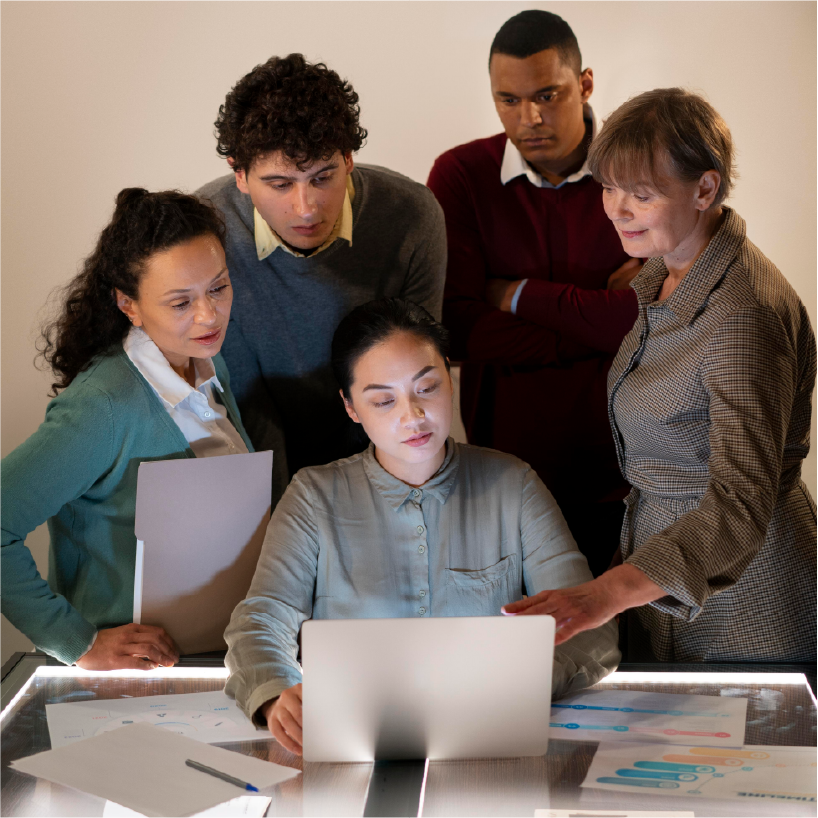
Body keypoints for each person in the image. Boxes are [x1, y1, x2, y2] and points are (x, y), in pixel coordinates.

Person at [224, 298, 620, 755]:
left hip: (492, 742)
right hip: (354, 746)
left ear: (449, 377)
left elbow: (591, 627)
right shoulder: (314, 495)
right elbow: (261, 619)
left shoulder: (513, 484)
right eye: (383, 400)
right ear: (351, 407)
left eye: (426, 388)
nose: (412, 416)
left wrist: (515, 684)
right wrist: (276, 694)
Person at [504, 89, 818, 663]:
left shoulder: (742, 314)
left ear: (705, 188)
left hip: (750, 596)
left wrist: (604, 594)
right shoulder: (664, 273)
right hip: (661, 575)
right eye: (609, 187)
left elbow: (740, 502)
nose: (616, 209)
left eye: (641, 195)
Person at [0, 189, 253, 670]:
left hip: (211, 661)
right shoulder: (104, 406)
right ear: (129, 305)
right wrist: (77, 643)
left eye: (218, 288)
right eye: (180, 302)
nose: (209, 315)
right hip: (136, 682)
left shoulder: (206, 359)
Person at [427, 10, 639, 578]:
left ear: (585, 84)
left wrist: (513, 294)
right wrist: (594, 323)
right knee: (517, 657)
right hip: (502, 477)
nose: (532, 117)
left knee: (621, 655)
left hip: (629, 476)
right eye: (510, 100)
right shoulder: (460, 177)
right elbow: (455, 327)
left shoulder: (638, 168)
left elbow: (649, 318)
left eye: (549, 94)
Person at [198, 54, 447, 508]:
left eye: (322, 177)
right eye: (279, 184)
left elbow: (417, 375)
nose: (306, 207)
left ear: (349, 158)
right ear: (240, 175)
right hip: (253, 465)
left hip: (389, 460)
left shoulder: (412, 215)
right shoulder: (205, 233)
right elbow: (240, 399)